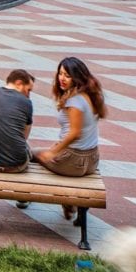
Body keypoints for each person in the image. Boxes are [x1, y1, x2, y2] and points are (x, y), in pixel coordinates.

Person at [35, 57, 106, 218]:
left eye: (67, 75)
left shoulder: (74, 102)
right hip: (92, 160)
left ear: (77, 77)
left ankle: (64, 201)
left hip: (73, 161)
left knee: (33, 154)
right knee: (44, 152)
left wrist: (52, 153)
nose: (62, 78)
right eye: (60, 73)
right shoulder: (91, 95)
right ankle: (69, 203)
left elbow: (75, 133)